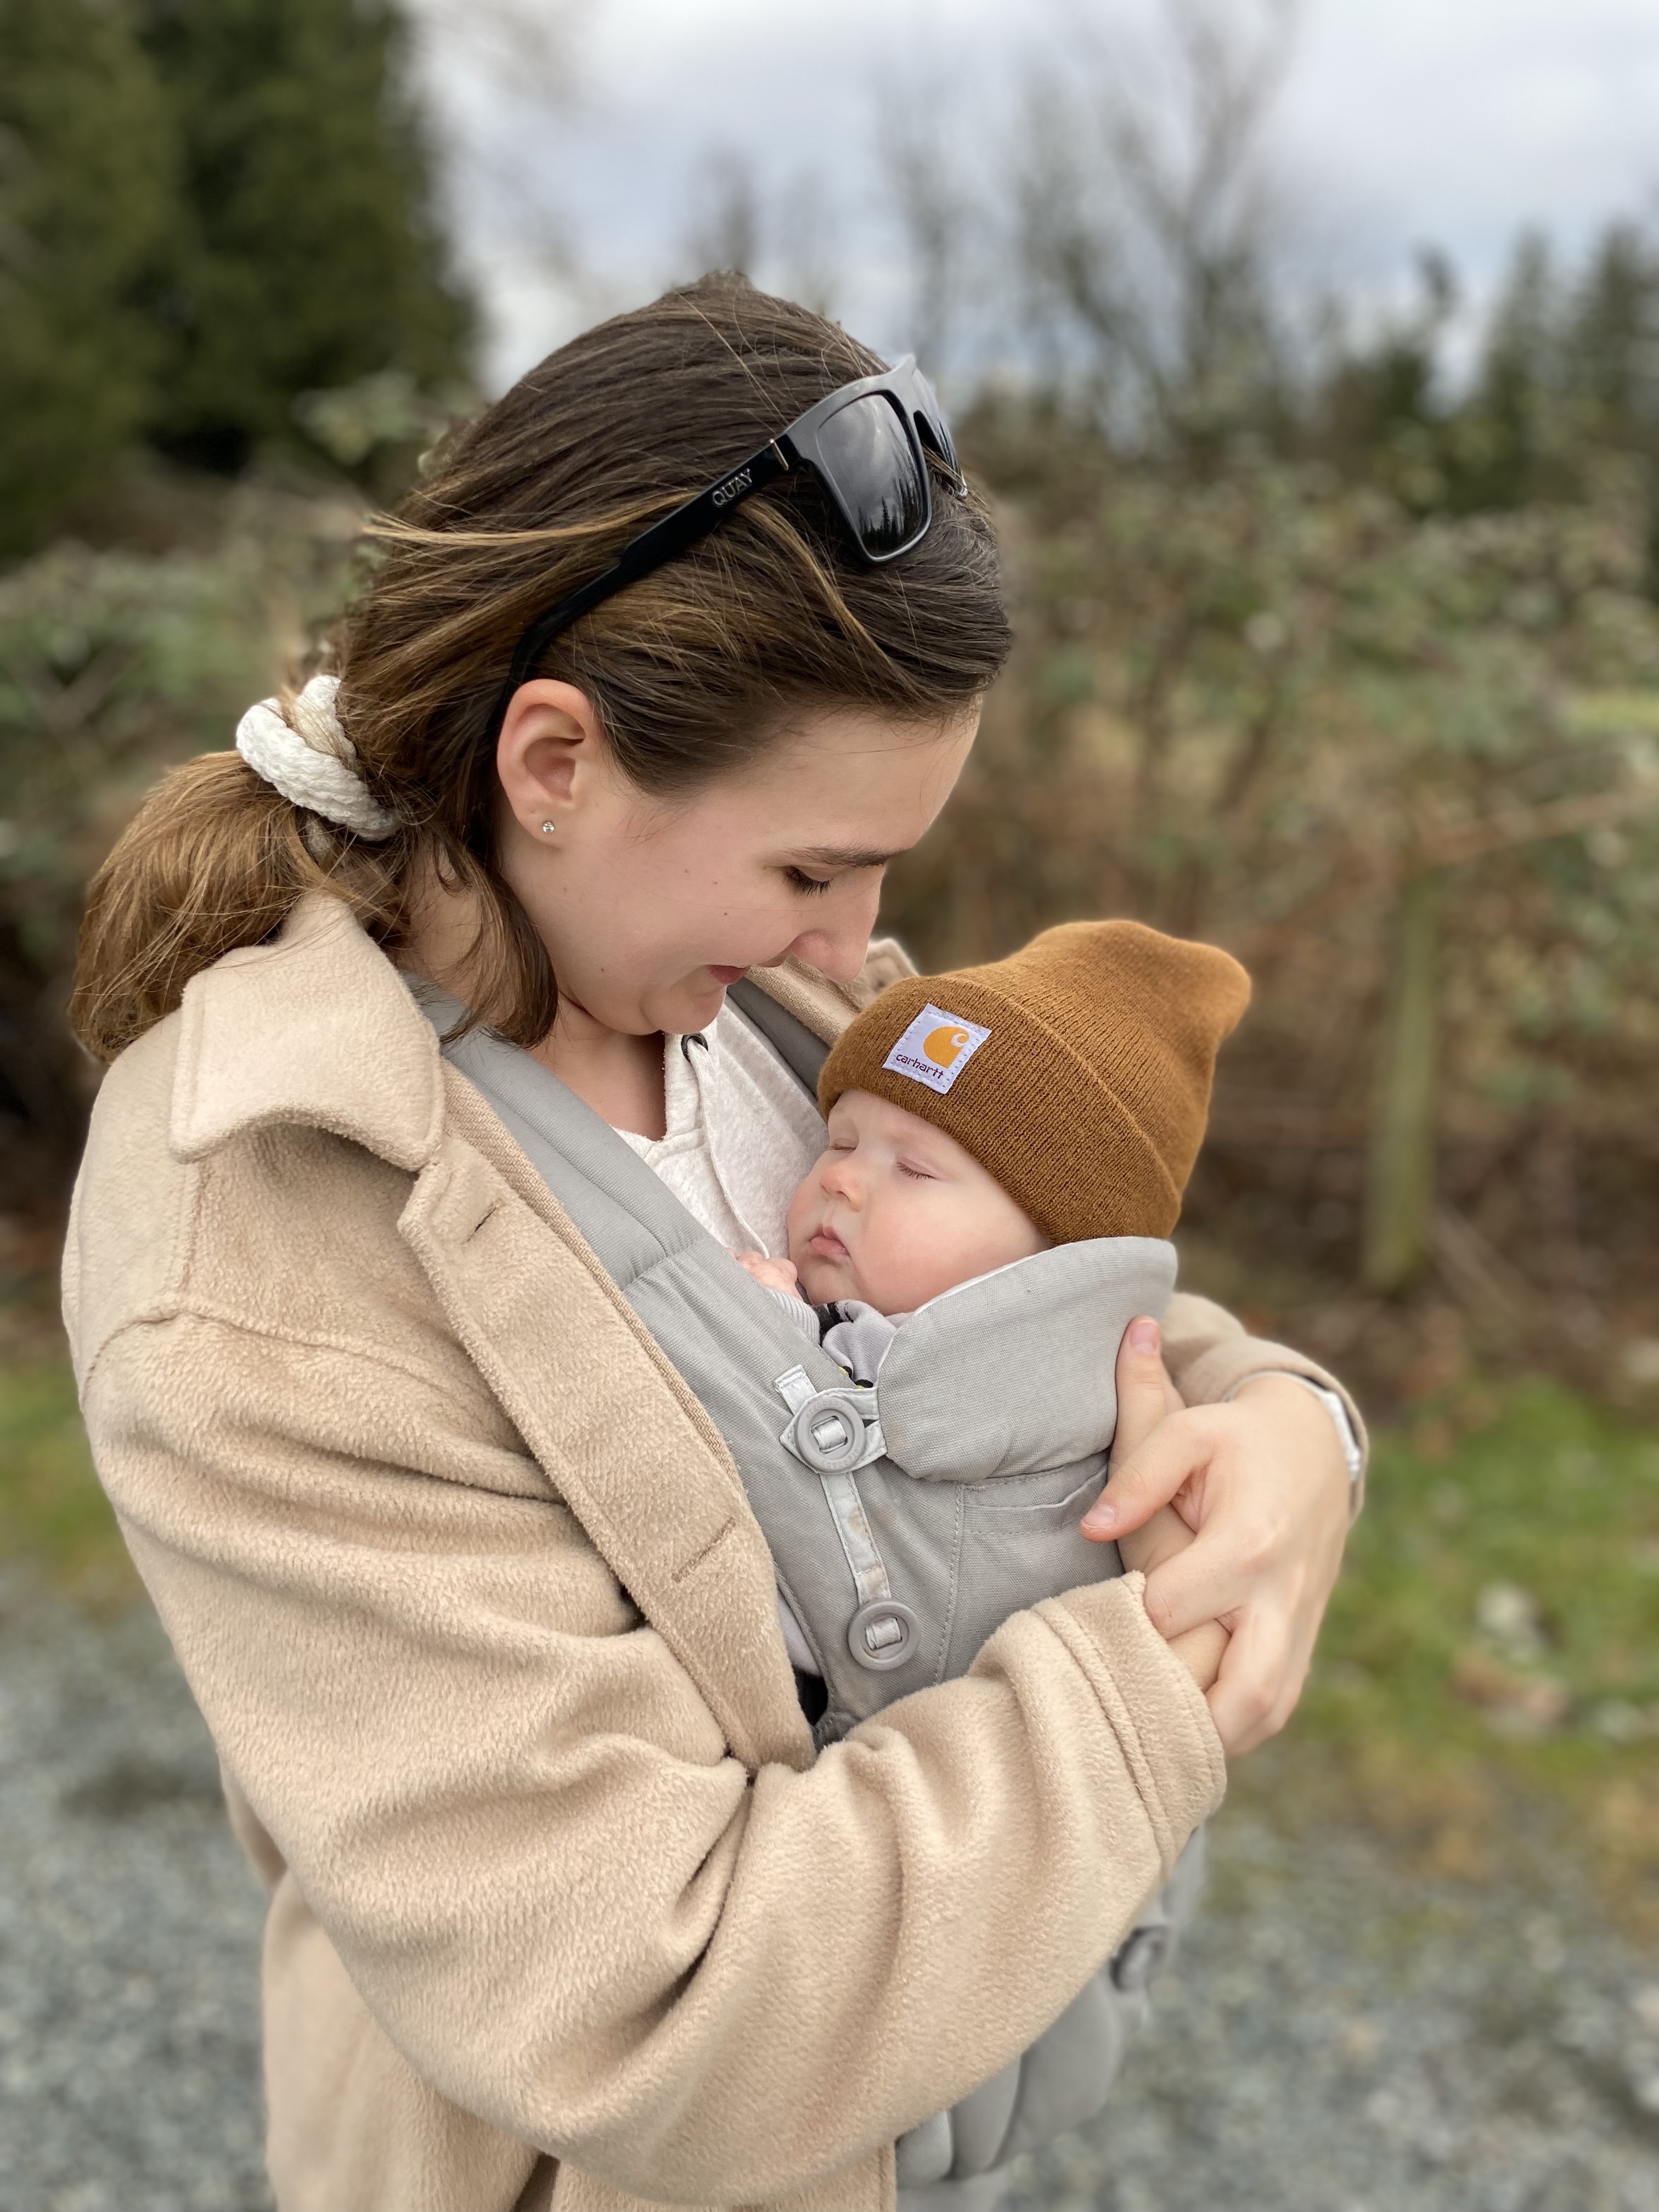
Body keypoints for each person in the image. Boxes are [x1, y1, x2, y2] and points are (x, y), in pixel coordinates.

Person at [63, 276, 1364, 2212]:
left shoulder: (755, 1018)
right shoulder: (256, 1230)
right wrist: (1151, 1684)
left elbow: (1031, 1309)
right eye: (810, 866)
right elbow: (656, 2009)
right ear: (555, 763)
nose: (859, 949)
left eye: (880, 870)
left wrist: (1287, 1431)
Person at [736, 917, 1254, 1695]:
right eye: (839, 1142)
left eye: (914, 1168)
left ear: (1055, 1250)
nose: (840, 1179)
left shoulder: (1023, 1393)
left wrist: (766, 1344)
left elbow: (840, 1532)